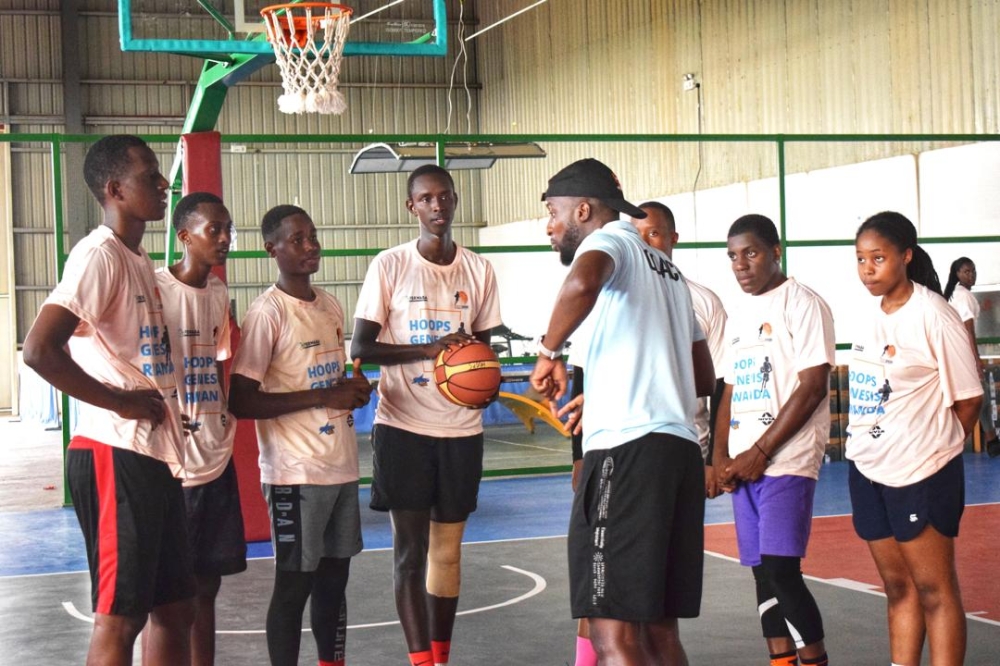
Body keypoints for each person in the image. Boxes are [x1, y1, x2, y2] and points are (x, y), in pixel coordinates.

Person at [530, 158, 715, 665]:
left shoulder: (606, 242)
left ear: (583, 210)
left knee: (613, 636)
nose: (549, 225)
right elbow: (701, 377)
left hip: (628, 454)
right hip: (677, 454)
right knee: (659, 634)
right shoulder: (671, 273)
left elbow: (582, 283)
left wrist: (547, 352)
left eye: (552, 212)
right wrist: (614, 383)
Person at [22, 134, 196, 665]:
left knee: (174, 608)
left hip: (150, 453)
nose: (165, 184)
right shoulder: (98, 255)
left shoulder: (137, 256)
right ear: (115, 189)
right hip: (112, 450)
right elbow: (38, 349)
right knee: (120, 617)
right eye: (151, 176)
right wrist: (118, 401)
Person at [351, 164, 502, 666]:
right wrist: (431, 352)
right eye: (427, 199)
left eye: (445, 197)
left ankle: (441, 656)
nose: (438, 206)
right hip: (404, 428)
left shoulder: (478, 269)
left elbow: (486, 345)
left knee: (449, 554)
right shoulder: (389, 266)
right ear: (411, 207)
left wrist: (480, 375)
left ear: (455, 201)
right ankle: (421, 662)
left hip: (462, 430)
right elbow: (363, 347)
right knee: (409, 554)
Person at [228, 205, 373, 666]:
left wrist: (354, 390)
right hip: (295, 472)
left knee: (335, 584)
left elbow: (331, 378)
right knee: (294, 586)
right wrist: (322, 396)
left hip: (341, 466)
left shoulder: (329, 303)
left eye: (312, 236)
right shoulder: (267, 314)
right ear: (272, 250)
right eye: (297, 240)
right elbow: (242, 400)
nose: (310, 246)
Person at [848, 211, 982, 666]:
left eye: (879, 258)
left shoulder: (934, 315)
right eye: (862, 259)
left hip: (921, 472)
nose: (868, 268)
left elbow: (969, 399)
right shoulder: (868, 316)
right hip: (867, 469)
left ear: (905, 256)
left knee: (934, 590)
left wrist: (932, 449)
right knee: (898, 588)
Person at [713, 214, 833, 666]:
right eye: (732, 256)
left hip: (786, 460)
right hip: (744, 465)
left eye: (751, 252)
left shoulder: (802, 304)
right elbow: (727, 389)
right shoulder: (739, 313)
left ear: (775, 251)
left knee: (783, 572)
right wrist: (720, 456)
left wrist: (758, 453)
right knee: (763, 576)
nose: (741, 264)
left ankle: (816, 660)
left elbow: (813, 385)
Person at [153, 192, 245, 665]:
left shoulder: (218, 293)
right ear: (185, 236)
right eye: (216, 230)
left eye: (229, 229)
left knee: (207, 587)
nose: (226, 238)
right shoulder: (153, 290)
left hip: (215, 454)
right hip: (171, 464)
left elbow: (219, 360)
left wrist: (222, 416)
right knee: (170, 595)